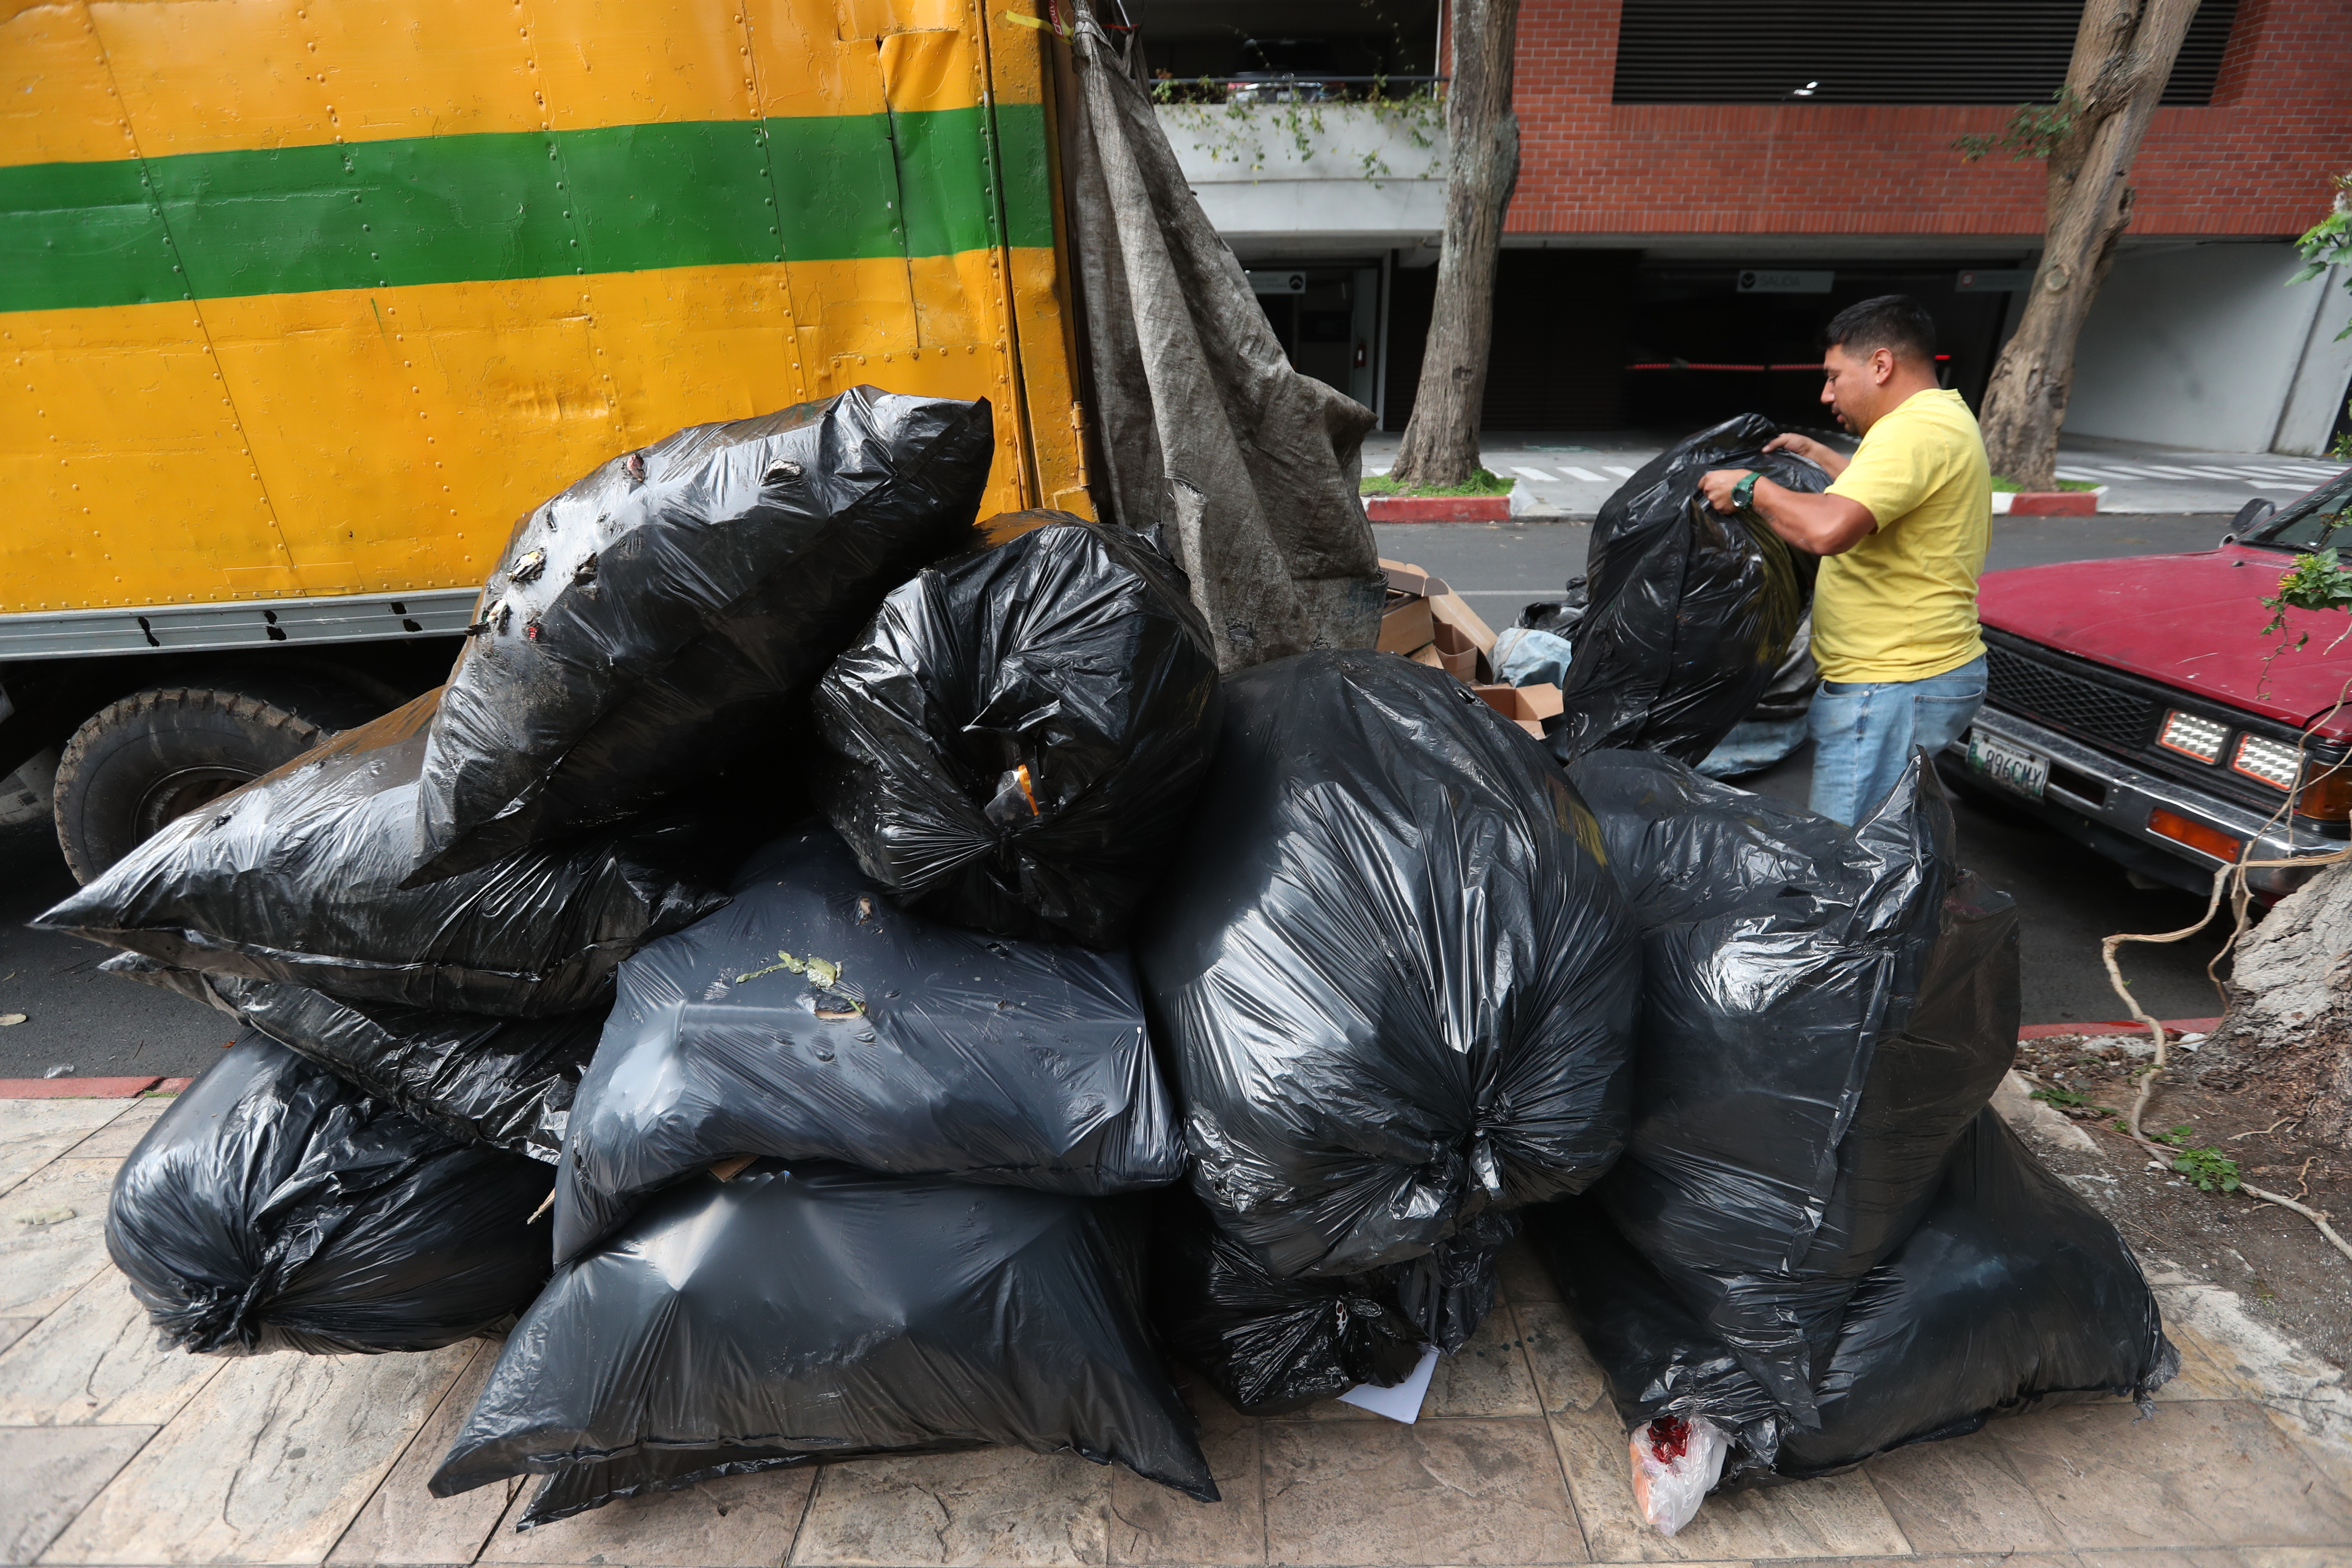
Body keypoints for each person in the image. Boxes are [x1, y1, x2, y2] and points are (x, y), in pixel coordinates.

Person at [1699, 294, 1991, 825]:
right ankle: (1926, 902)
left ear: (1881, 365)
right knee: (1891, 838)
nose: (1826, 392)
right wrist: (1823, 459)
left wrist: (1749, 489)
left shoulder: (1913, 430)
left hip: (1892, 685)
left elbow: (1829, 530)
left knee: (1846, 859)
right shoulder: (1939, 418)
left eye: (1835, 376)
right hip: (1914, 675)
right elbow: (1889, 497)